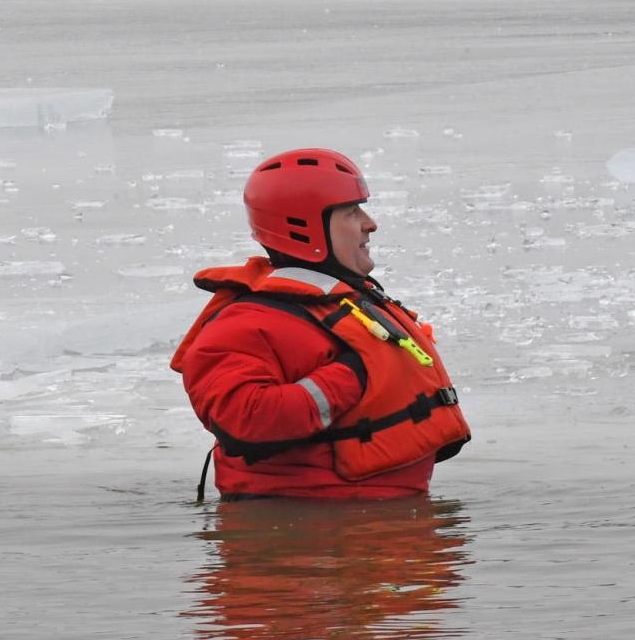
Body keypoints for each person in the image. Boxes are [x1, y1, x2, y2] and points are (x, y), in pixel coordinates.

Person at [170, 148, 470, 501]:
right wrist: (358, 370)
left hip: (373, 528)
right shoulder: (246, 322)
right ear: (306, 227)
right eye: (352, 211)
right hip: (303, 538)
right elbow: (245, 420)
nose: (370, 223)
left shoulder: (346, 304)